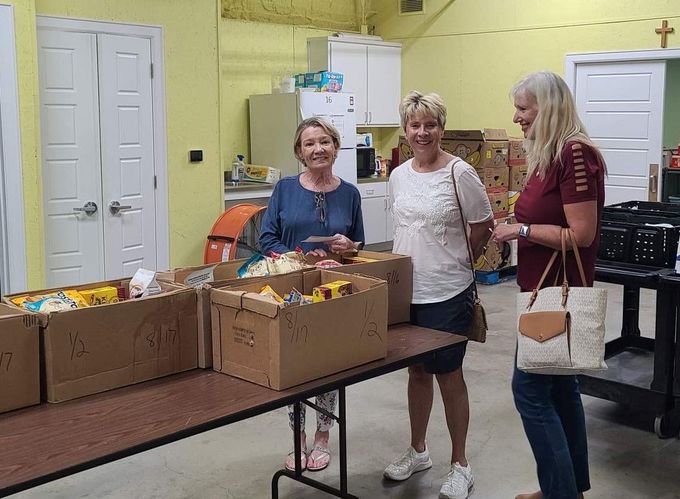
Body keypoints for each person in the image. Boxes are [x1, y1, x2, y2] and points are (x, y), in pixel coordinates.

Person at [492, 71, 606, 499]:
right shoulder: (549, 153)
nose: (517, 117)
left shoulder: (574, 154)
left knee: (530, 392)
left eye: (524, 108)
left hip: (557, 296)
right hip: (539, 292)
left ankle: (562, 493)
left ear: (549, 108)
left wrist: (518, 232)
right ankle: (565, 486)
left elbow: (581, 235)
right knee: (560, 388)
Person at [384, 90, 494, 499]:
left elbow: (482, 223)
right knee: (416, 372)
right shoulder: (398, 175)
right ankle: (418, 451)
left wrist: (462, 262)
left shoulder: (460, 173)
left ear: (441, 128)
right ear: (405, 130)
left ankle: (461, 464)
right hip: (407, 291)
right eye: (415, 125)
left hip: (448, 291)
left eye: (430, 124)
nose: (422, 132)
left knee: (449, 375)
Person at [259, 116, 365, 472]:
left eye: (324, 141)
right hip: (292, 290)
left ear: (335, 147)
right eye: (309, 143)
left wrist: (349, 246)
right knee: (296, 366)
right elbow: (266, 240)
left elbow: (359, 246)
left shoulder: (350, 193)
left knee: (329, 366)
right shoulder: (285, 189)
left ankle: (323, 436)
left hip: (334, 293)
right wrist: (297, 258)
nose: (318, 148)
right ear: (299, 152)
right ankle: (297, 438)